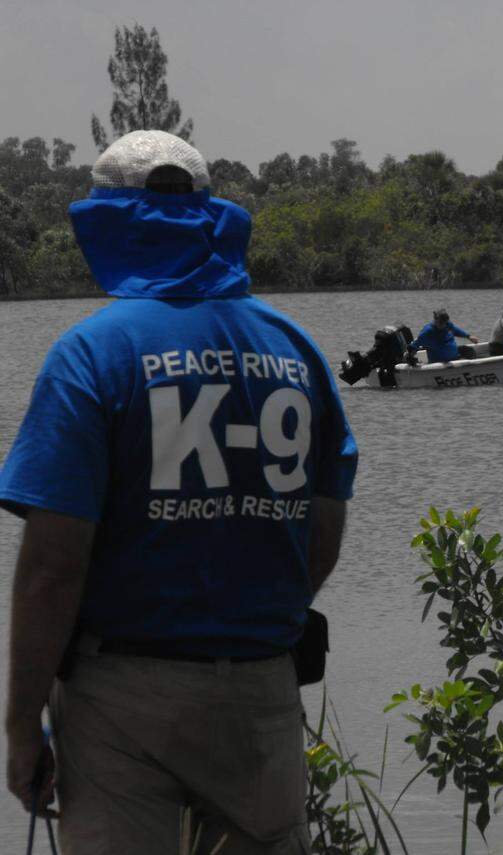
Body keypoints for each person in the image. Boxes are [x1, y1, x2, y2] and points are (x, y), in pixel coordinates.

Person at [0, 130, 358, 853]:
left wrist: (20, 726)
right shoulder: (294, 349)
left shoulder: (92, 355)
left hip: (122, 701)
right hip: (261, 694)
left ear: (110, 225)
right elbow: (320, 535)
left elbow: (51, 570)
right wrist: (250, 630)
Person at [407, 309, 479, 363]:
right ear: (435, 320)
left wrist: (469, 336)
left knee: (469, 350)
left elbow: (456, 330)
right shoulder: (427, 332)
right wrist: (410, 356)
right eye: (440, 323)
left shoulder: (447, 325)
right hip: (439, 361)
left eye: (445, 323)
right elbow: (414, 346)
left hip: (455, 356)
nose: (443, 325)